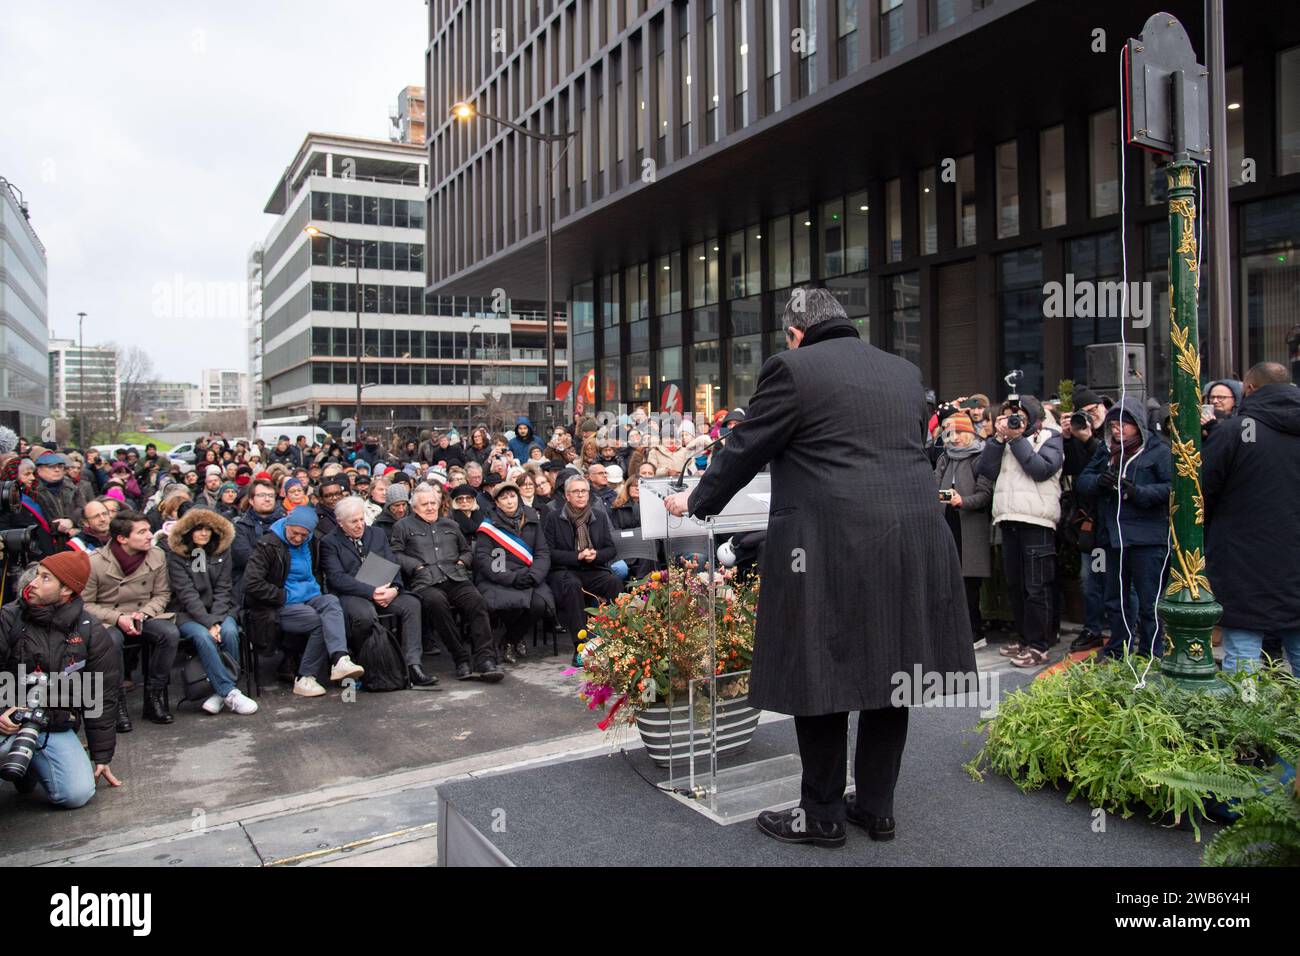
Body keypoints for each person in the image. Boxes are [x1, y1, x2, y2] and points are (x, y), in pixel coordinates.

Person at [664, 288, 973, 848]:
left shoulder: (792, 369)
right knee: (893, 669)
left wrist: (697, 500)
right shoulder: (904, 372)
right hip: (912, 539)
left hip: (831, 543)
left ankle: (823, 814)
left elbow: (745, 446)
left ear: (795, 333)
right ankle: (877, 808)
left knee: (821, 671)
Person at [0, 552, 121, 807]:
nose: (33, 583)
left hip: (52, 723)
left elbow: (102, 696)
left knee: (77, 794)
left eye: (45, 578)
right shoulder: (8, 618)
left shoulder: (90, 630)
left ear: (67, 589)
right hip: (6, 720)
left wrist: (101, 756)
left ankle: (32, 767)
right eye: (37, 575)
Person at [1204, 363, 1300, 673]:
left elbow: (1200, 494)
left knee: (1243, 656)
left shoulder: (1234, 432)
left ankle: (1245, 719)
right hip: (1294, 565)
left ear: (1249, 389)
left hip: (1243, 564)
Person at [1076, 396, 1171, 660]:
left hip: (1147, 538)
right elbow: (1082, 481)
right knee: (1115, 599)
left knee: (1148, 600)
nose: (1117, 430)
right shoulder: (1106, 451)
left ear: (1137, 425)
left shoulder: (1159, 451)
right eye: (1113, 425)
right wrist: (1100, 482)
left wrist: (1140, 492)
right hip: (1112, 536)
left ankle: (1150, 651)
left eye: (1123, 425)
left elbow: (1172, 488)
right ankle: (1118, 648)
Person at [975, 393, 1064, 668]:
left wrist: (1016, 439)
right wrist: (999, 439)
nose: (1014, 422)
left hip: (1037, 520)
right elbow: (984, 470)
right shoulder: (1004, 441)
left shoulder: (1050, 437)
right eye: (1010, 417)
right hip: (1008, 517)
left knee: (1036, 587)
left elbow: (1041, 469)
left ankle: (1040, 645)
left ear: (1033, 419)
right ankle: (1025, 639)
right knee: (1016, 586)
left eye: (1020, 418)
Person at [242, 506, 364, 698]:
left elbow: (315, 572)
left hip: (310, 597)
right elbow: (252, 583)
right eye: (294, 533)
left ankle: (340, 659)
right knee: (319, 621)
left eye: (303, 534)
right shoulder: (268, 545)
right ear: (287, 525)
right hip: (280, 604)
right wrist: (282, 596)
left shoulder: (312, 542)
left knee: (331, 601)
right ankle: (305, 676)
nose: (298, 538)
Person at [320, 496, 438, 689]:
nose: (360, 525)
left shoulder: (376, 534)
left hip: (383, 589)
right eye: (353, 522)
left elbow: (391, 563)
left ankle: (412, 665)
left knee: (412, 604)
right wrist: (372, 592)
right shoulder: (329, 542)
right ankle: (367, 666)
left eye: (361, 519)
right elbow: (336, 578)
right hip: (353, 594)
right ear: (340, 523)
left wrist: (395, 588)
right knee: (365, 615)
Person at [391, 483, 503, 682]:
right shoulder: (403, 526)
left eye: (433, 503)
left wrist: (462, 562)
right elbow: (395, 554)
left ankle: (486, 659)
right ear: (414, 507)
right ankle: (461, 659)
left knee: (477, 601)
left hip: (455, 576)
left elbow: (467, 550)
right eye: (425, 504)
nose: (430, 507)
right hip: (426, 582)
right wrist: (416, 566)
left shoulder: (450, 524)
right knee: (437, 604)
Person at [82, 510, 180, 727]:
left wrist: (144, 613)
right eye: (142, 532)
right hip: (109, 617)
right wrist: (118, 618)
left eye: (148, 530)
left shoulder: (157, 555)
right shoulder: (95, 562)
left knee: (170, 633)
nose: (149, 536)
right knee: (112, 640)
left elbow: (162, 593)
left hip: (143, 612)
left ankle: (153, 697)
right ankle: (117, 703)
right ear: (122, 538)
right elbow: (85, 604)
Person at [165, 508, 257, 715]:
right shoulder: (177, 557)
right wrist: (209, 623)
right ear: (188, 531)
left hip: (220, 609)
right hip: (187, 613)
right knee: (203, 637)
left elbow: (224, 588)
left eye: (208, 529)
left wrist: (215, 620)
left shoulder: (222, 551)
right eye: (198, 529)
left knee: (230, 632)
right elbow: (187, 594)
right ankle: (229, 691)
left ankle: (220, 692)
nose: (204, 533)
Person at [543, 475, 622, 665]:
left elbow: (611, 549)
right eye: (575, 492)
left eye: (584, 491)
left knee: (614, 582)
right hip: (564, 570)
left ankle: (616, 639)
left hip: (592, 567)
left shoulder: (599, 516)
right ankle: (581, 646)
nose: (580, 495)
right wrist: (575, 556)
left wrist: (596, 555)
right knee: (572, 585)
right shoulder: (554, 517)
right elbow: (548, 552)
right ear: (567, 496)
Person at [473, 481, 554, 664]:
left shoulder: (532, 518)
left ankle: (510, 639)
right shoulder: (489, 527)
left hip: (529, 574)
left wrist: (534, 576)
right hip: (501, 578)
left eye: (512, 496)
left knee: (539, 604)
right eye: (504, 498)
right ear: (497, 503)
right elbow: (486, 560)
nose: (509, 501)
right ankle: (513, 640)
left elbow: (542, 552)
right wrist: (512, 578)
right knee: (509, 602)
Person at [933, 412, 994, 648]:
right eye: (950, 433)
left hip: (970, 523)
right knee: (948, 577)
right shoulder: (944, 458)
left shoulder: (981, 457)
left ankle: (974, 632)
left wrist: (963, 501)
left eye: (959, 432)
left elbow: (985, 494)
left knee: (969, 583)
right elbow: (934, 482)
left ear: (970, 433)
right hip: (946, 520)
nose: (955, 438)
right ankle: (953, 631)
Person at [1060, 388, 1109, 652]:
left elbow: (1106, 464)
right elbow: (1073, 472)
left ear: (1103, 406)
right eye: (1084, 414)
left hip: (1115, 520)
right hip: (1088, 521)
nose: (1091, 418)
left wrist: (1089, 438)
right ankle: (1092, 628)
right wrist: (1069, 439)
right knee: (1089, 578)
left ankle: (1124, 628)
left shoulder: (1117, 431)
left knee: (1119, 579)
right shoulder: (1076, 438)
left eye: (1094, 411)